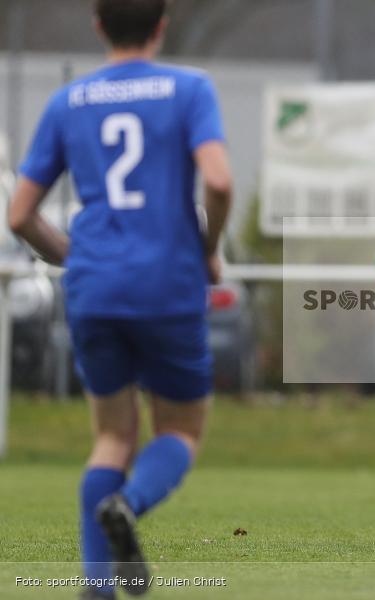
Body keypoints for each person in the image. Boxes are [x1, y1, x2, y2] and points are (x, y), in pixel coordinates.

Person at [7, 1, 231, 597]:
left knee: (111, 436)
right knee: (181, 428)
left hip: (94, 283)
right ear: (161, 26)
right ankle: (128, 505)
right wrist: (207, 251)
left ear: (98, 26)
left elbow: (20, 214)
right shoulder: (189, 89)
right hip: (167, 281)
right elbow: (220, 179)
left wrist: (72, 257)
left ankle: (97, 587)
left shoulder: (68, 102)